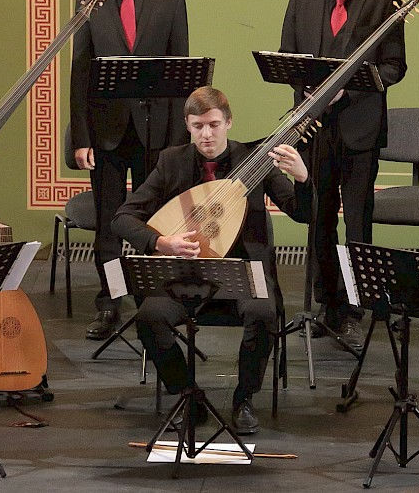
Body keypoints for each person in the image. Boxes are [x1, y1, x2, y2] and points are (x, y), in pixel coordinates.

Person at [112, 86, 312, 434]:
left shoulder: (256, 160)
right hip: (187, 276)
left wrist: (303, 178)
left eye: (214, 125)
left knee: (263, 314)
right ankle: (188, 395)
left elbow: (303, 214)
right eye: (197, 126)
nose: (206, 134)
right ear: (188, 126)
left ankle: (244, 398)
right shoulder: (171, 161)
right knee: (149, 318)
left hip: (242, 277)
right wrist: (163, 241)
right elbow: (123, 218)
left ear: (229, 122)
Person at [279, 0, 406, 347]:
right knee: (317, 217)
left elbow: (394, 67)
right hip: (312, 126)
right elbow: (288, 54)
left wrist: (345, 89)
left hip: (358, 128)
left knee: (356, 221)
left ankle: (359, 305)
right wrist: (307, 88)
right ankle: (328, 303)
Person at [70, 0, 189, 340]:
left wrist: (180, 140)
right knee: (108, 220)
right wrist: (80, 137)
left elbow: (181, 73)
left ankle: (150, 302)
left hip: (157, 130)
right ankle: (109, 302)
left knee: (153, 220)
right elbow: (79, 72)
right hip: (106, 130)